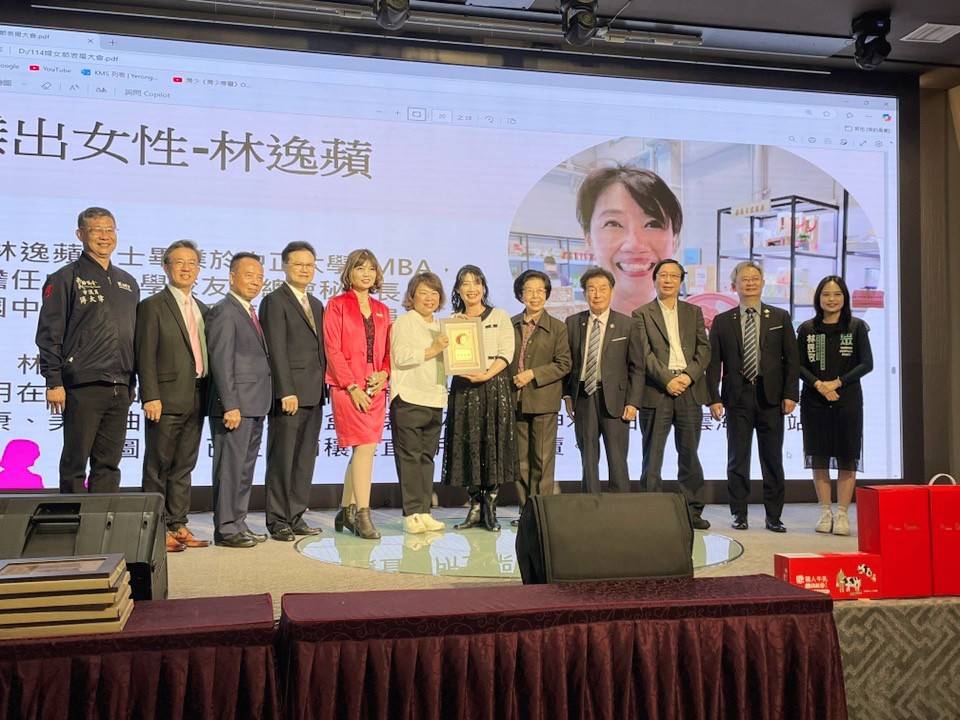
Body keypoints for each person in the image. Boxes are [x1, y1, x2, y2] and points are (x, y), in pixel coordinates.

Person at [36, 207, 140, 493]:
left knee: (109, 464)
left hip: (120, 386)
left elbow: (134, 337)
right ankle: (71, 518)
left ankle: (102, 519)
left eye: (109, 230)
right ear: (80, 234)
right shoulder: (65, 278)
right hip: (82, 384)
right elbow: (49, 333)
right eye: (96, 230)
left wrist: (132, 383)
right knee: (75, 462)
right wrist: (53, 381)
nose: (104, 236)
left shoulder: (128, 282)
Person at [707, 261, 800, 533]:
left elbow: (791, 360)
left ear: (762, 283)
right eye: (744, 279)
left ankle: (774, 516)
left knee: (772, 459)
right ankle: (739, 513)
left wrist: (790, 394)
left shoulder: (779, 317)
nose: (750, 283)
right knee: (738, 458)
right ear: (734, 285)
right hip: (737, 397)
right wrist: (713, 397)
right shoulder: (723, 321)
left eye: (754, 278)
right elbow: (713, 364)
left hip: (771, 397)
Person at [136, 239, 211, 553]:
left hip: (198, 396)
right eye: (179, 262)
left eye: (192, 263)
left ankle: (178, 523)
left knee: (184, 465)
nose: (186, 268)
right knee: (158, 466)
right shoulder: (152, 305)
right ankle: (155, 529)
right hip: (164, 398)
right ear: (166, 267)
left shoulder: (204, 309)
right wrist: (150, 395)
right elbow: (145, 355)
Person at [634, 259, 711, 529]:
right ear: (654, 279)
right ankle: (650, 510)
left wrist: (687, 377)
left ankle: (692, 511)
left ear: (681, 281)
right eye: (663, 275)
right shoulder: (641, 314)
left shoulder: (694, 312)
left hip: (689, 390)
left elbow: (704, 350)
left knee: (689, 454)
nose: (668, 280)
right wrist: (668, 380)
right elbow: (644, 354)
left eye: (674, 276)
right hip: (657, 390)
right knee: (652, 456)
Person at [441, 264, 518, 531]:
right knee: (468, 444)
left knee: (492, 443)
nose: (471, 288)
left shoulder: (500, 315)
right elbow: (447, 357)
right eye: (465, 283)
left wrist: (486, 374)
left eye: (476, 282)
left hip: (494, 387)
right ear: (458, 290)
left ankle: (490, 508)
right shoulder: (453, 321)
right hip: (464, 389)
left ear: (484, 287)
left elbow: (506, 353)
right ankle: (474, 506)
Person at [259, 241, 326, 542]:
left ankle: (296, 514)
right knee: (282, 459)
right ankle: (277, 520)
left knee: (304, 459)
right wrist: (285, 390)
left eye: (310, 265)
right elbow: (275, 349)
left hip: (314, 392)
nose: (304, 269)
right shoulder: (274, 301)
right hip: (289, 395)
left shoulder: (317, 304)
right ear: (285, 266)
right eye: (298, 264)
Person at [797, 275, 873, 536]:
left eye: (837, 294)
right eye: (826, 294)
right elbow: (797, 364)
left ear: (845, 297)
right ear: (818, 298)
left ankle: (842, 514)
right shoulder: (807, 329)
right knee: (818, 456)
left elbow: (867, 363)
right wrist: (819, 385)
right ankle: (825, 511)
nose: (831, 299)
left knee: (847, 456)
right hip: (814, 401)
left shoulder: (857, 327)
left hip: (847, 400)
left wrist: (837, 383)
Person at [324, 249, 391, 540]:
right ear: (349, 272)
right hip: (347, 387)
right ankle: (363, 513)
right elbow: (332, 349)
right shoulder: (336, 305)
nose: (366, 273)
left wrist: (384, 373)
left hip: (375, 388)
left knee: (365, 449)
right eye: (360, 268)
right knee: (364, 448)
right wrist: (352, 387)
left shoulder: (382, 309)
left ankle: (345, 510)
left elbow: (388, 352)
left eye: (371, 269)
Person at [206, 252, 272, 549]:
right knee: (230, 470)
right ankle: (226, 529)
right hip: (235, 407)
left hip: (254, 403)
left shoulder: (248, 311)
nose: (255, 282)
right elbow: (221, 362)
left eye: (259, 277)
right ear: (232, 277)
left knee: (244, 469)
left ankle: (239, 522)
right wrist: (229, 404)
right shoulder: (224, 311)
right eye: (249, 275)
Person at [563, 266, 644, 494]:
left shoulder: (627, 324)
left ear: (611, 292)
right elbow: (566, 363)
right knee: (588, 456)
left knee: (617, 457)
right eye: (591, 289)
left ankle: (620, 505)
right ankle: (591, 504)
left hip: (616, 400)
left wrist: (633, 402)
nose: (597, 294)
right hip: (584, 397)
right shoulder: (572, 323)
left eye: (602, 289)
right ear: (584, 293)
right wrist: (567, 394)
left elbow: (637, 367)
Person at [577, 165, 682, 316]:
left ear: (674, 240)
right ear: (589, 239)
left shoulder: (690, 325)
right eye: (613, 223)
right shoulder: (573, 329)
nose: (634, 245)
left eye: (653, 224)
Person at [389, 272, 449, 534]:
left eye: (434, 293)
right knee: (410, 457)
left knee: (427, 457)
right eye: (423, 293)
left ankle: (424, 511)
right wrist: (433, 349)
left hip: (435, 398)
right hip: (409, 398)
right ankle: (411, 513)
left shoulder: (442, 326)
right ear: (412, 296)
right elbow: (400, 356)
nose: (429, 298)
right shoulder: (404, 322)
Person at [510, 269, 572, 525]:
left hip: (543, 400)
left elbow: (564, 363)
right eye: (529, 291)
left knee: (542, 460)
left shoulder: (557, 327)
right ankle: (526, 511)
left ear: (547, 294)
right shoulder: (511, 324)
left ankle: (541, 513)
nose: (534, 296)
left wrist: (533, 373)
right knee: (520, 461)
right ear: (520, 294)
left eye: (540, 291)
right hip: (515, 401)